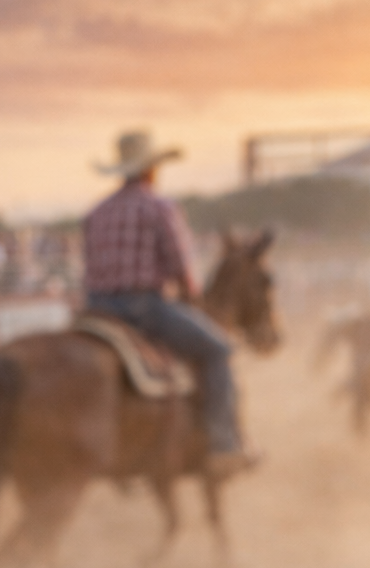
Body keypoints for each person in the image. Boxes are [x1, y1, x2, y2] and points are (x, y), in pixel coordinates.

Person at [83, 130, 254, 482]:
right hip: (144, 307)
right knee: (219, 350)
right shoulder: (159, 208)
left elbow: (88, 266)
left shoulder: (96, 212)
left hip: (97, 310)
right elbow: (181, 266)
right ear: (151, 170)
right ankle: (224, 443)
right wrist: (193, 296)